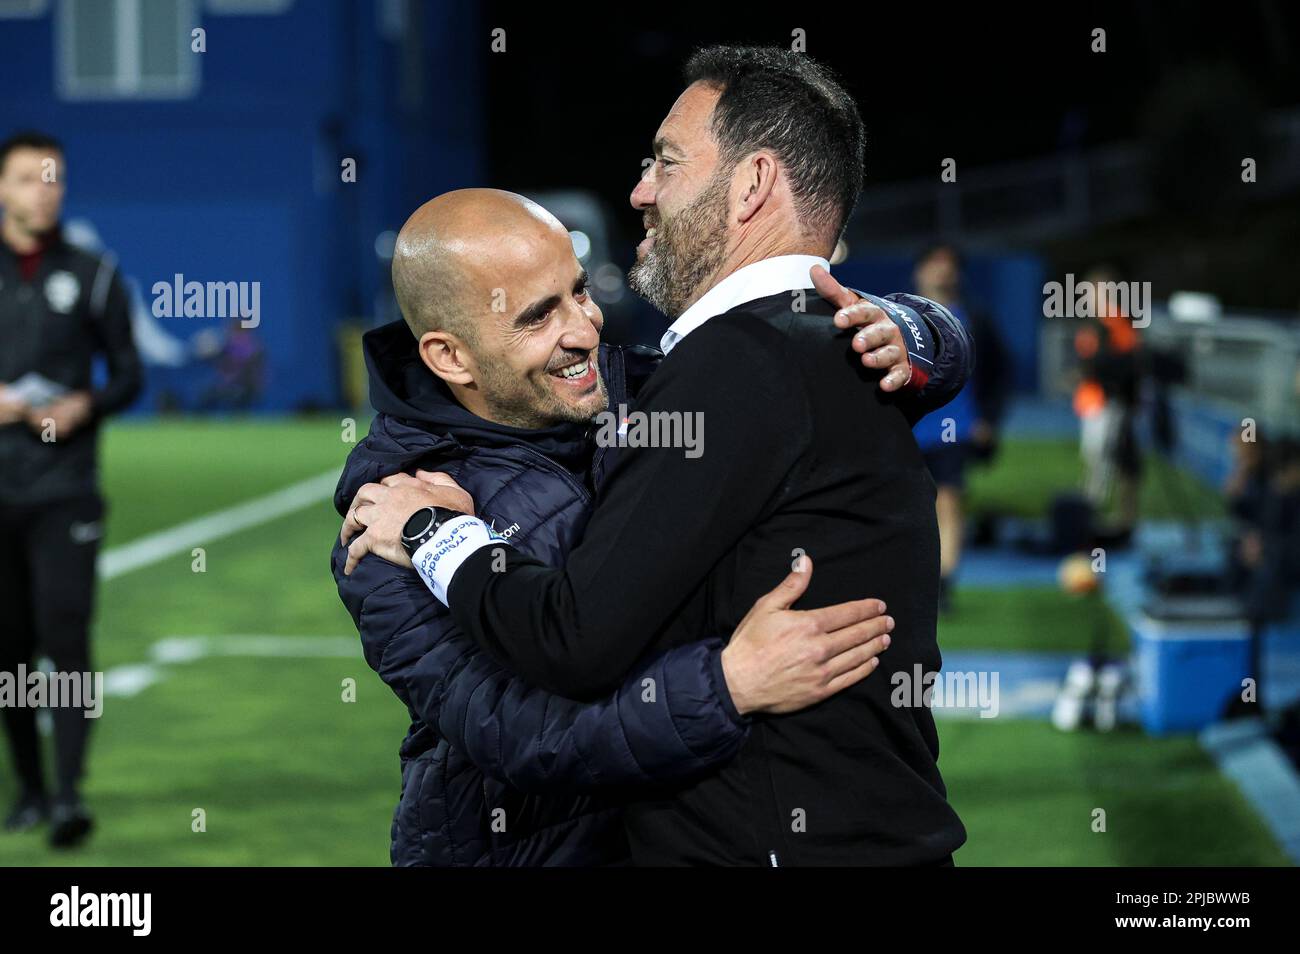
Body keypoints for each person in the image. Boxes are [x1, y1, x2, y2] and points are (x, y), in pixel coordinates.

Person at [344, 46, 970, 865]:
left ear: (750, 185)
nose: (585, 328)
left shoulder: (673, 379)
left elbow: (801, 354)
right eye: (536, 316)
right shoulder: (384, 513)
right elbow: (524, 736)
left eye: (579, 292)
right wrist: (727, 686)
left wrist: (926, 332)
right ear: (450, 357)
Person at [0, 130, 142, 846]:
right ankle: (25, 788)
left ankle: (66, 795)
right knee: (9, 648)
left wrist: (85, 405)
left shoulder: (93, 272)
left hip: (65, 488)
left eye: (53, 177)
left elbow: (128, 374)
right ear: (2, 188)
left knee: (66, 638)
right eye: (28, 178)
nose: (44, 190)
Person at [910, 243, 1009, 610]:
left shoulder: (974, 319)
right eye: (934, 264)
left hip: (956, 428)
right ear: (919, 271)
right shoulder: (896, 313)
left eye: (949, 265)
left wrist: (990, 419)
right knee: (911, 506)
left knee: (949, 502)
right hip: (908, 428)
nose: (942, 272)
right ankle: (914, 577)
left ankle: (945, 583)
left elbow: (1000, 372)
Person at [1073, 263, 1143, 542]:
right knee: (1095, 457)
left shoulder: (1116, 324)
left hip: (1109, 402)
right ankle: (1091, 513)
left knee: (1105, 458)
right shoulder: (1095, 324)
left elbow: (1126, 366)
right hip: (1093, 401)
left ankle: (1096, 516)